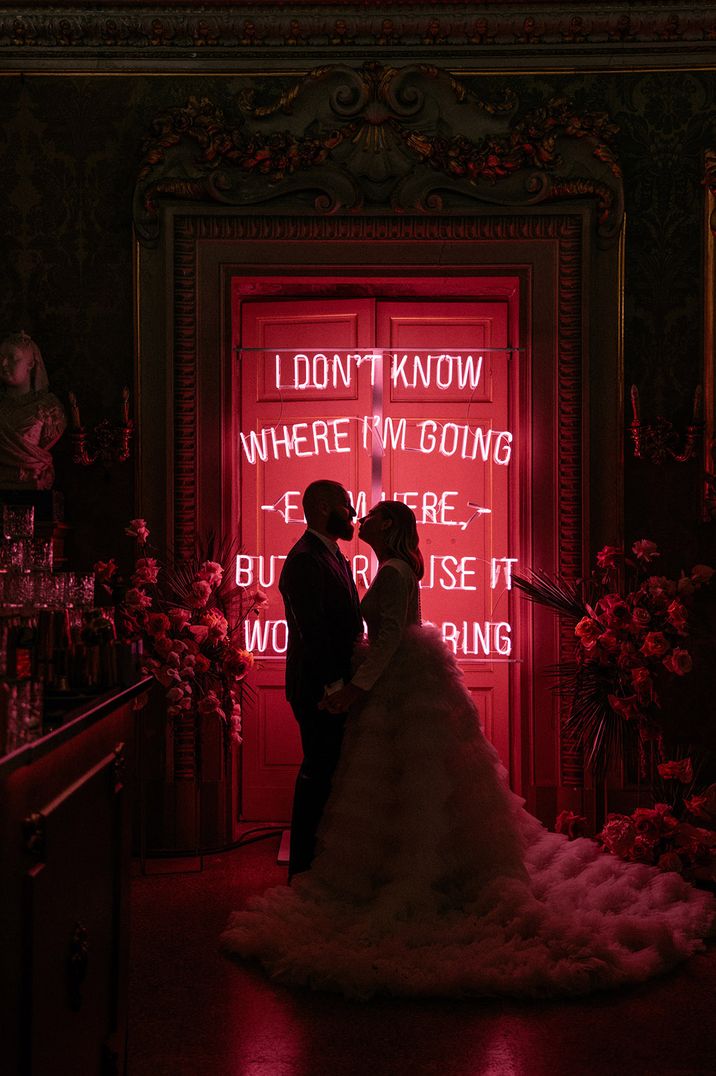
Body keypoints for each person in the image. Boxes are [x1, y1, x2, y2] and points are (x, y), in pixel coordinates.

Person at [223, 500, 715, 999]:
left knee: (406, 778)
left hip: (398, 685)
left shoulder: (392, 570)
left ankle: (408, 873)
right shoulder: (392, 565)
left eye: (368, 514)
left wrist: (356, 688)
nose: (359, 517)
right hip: (403, 683)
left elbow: (391, 636)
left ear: (387, 525)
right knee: (407, 780)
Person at [278, 479, 363, 880]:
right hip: (317, 690)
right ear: (325, 506)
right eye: (347, 505)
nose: (353, 514)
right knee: (317, 774)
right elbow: (313, 630)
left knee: (328, 773)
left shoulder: (331, 555)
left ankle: (319, 868)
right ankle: (303, 871)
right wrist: (333, 687)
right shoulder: (305, 559)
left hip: (332, 688)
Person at [0, 331, 66, 490]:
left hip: (33, 483)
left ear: (30, 364)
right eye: (0, 357)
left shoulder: (51, 409)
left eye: (12, 358)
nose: (3, 363)